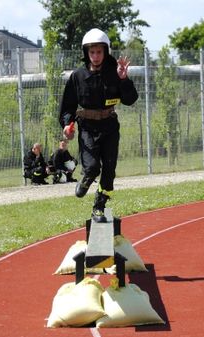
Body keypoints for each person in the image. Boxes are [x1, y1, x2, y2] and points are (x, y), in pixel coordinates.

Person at [59, 28, 138, 222]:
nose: (95, 56)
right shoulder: (77, 76)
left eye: (99, 52)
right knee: (93, 166)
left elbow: (130, 99)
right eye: (92, 52)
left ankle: (99, 206)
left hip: (110, 127)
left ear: (106, 52)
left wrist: (123, 79)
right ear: (86, 53)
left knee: (109, 170)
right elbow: (67, 106)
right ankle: (86, 178)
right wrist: (67, 124)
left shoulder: (115, 73)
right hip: (87, 127)